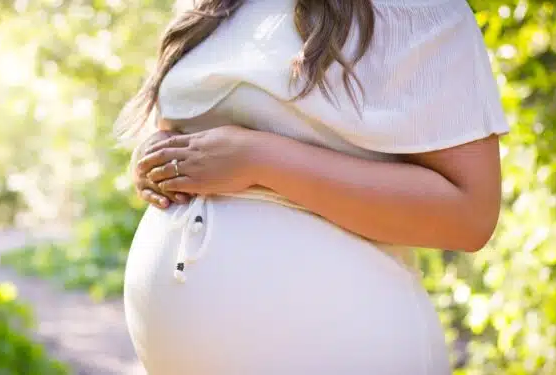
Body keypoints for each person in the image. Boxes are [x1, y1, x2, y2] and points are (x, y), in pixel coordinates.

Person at [116, 0, 508, 373]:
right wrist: (156, 160)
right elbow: (192, 135)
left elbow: (469, 213)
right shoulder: (211, 6)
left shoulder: (416, 10)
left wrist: (261, 160)